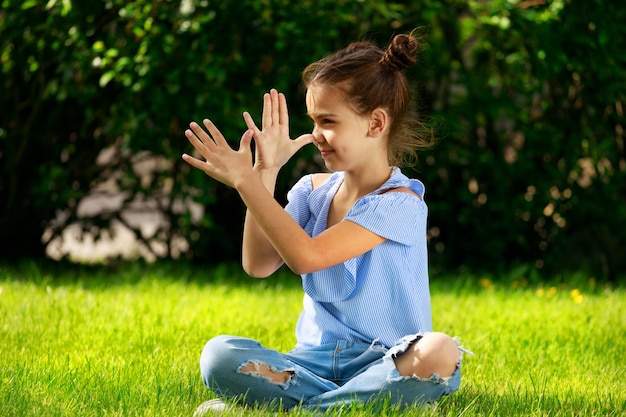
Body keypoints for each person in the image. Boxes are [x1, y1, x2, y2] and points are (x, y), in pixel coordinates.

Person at [182, 30, 467, 415]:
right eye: (313, 121)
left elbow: (307, 257)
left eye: (328, 121)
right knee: (218, 355)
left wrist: (245, 183)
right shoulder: (311, 190)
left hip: (383, 364)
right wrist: (265, 171)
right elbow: (258, 264)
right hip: (309, 365)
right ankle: (350, 406)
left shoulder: (401, 203)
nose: (316, 134)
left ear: (376, 124)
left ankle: (296, 410)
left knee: (439, 351)